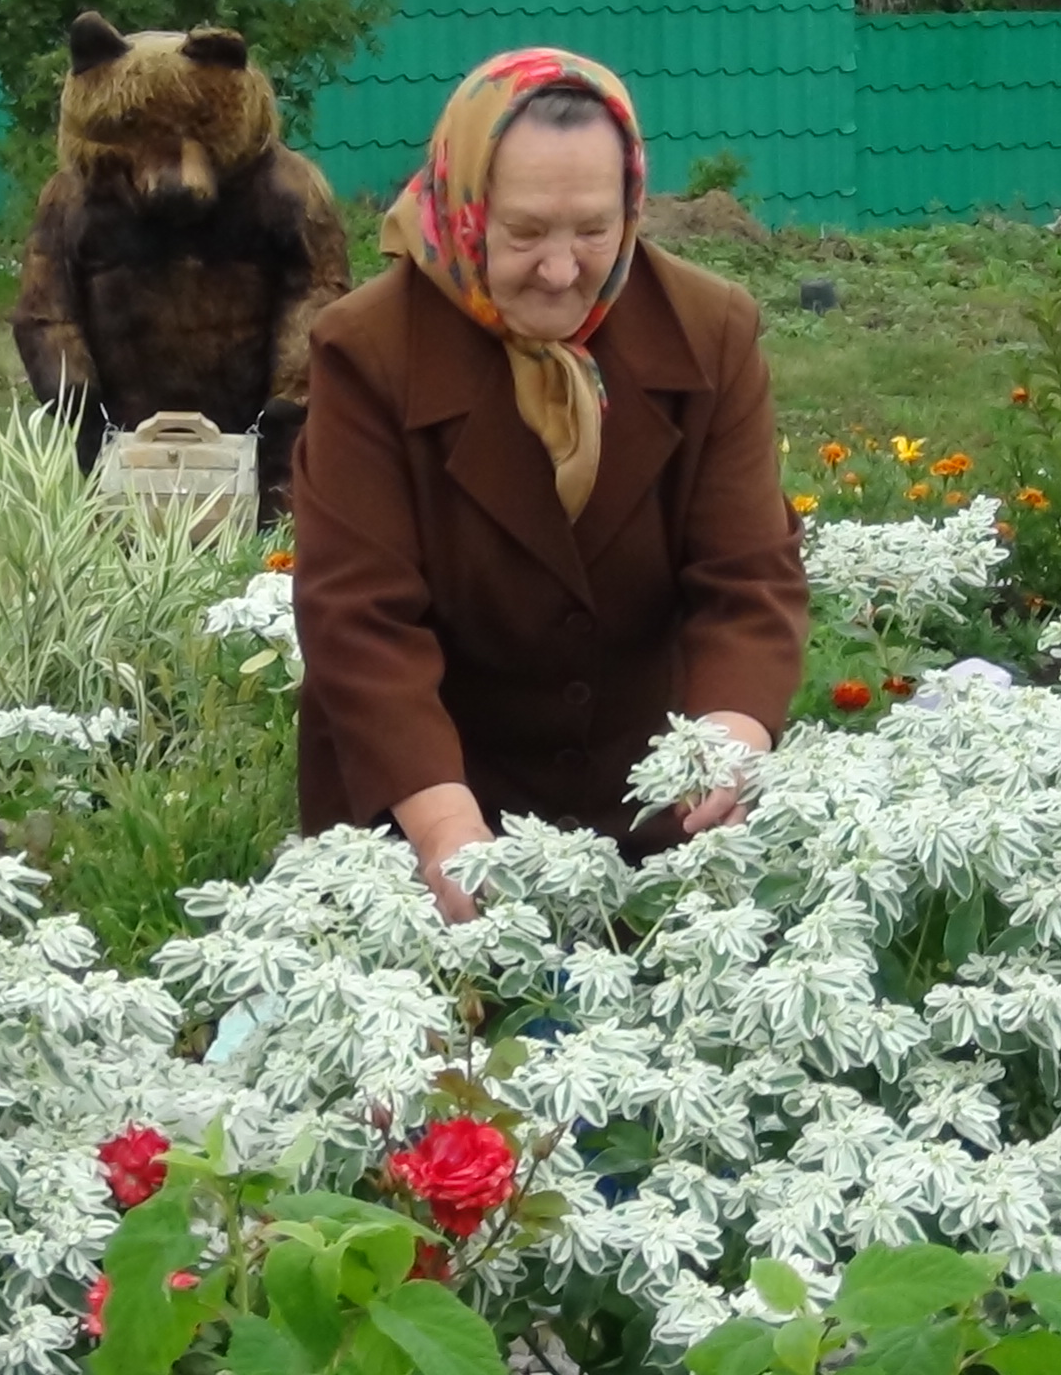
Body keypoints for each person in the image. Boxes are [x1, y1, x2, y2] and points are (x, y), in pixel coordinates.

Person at [291, 48, 809, 922]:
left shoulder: (709, 333)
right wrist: (445, 823)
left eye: (595, 231)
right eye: (525, 234)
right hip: (426, 813)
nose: (564, 271)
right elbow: (359, 617)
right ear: (463, 210)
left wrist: (728, 737)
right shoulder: (367, 352)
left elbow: (749, 576)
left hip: (650, 812)